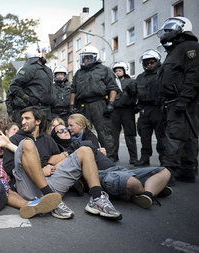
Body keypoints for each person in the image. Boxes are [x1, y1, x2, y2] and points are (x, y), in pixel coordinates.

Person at [0, 106, 122, 220]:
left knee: (85, 150)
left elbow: (61, 159)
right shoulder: (15, 139)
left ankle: (97, 198)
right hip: (28, 186)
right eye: (22, 119)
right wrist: (39, 170)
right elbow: (10, 167)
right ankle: (52, 200)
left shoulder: (48, 140)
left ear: (38, 121)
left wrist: (52, 166)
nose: (23, 122)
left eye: (27, 118)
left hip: (52, 182)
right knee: (27, 143)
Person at [51, 123, 172, 209]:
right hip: (102, 174)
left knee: (165, 172)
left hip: (119, 169)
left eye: (66, 128)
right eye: (60, 131)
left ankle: (147, 194)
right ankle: (150, 189)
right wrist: (69, 152)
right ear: (55, 136)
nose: (66, 130)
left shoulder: (81, 140)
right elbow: (53, 163)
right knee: (132, 183)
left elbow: (91, 140)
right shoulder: (62, 149)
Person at [157, 16, 199, 183]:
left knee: (174, 136)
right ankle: (187, 171)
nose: (166, 33)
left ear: (181, 29)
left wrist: (184, 98)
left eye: (169, 30)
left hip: (181, 101)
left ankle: (169, 174)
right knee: (186, 136)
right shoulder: (174, 50)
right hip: (174, 101)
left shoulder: (190, 47)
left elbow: (194, 75)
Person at [70, 45, 119, 162]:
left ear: (95, 57)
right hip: (83, 105)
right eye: (84, 58)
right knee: (83, 131)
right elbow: (73, 90)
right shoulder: (79, 73)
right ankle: (85, 157)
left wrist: (110, 104)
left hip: (99, 104)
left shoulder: (104, 70)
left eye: (88, 57)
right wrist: (71, 105)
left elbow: (113, 88)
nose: (86, 60)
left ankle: (109, 159)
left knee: (104, 132)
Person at [131, 49, 167, 167]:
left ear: (157, 61)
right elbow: (136, 92)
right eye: (146, 63)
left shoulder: (163, 73)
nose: (149, 65)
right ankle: (144, 158)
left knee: (161, 137)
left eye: (151, 62)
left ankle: (164, 160)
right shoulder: (140, 77)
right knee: (144, 136)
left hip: (159, 109)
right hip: (144, 109)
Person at [7, 44, 54, 124]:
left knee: (46, 134)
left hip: (47, 110)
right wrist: (27, 98)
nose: (45, 53)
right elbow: (14, 86)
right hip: (34, 109)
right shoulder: (28, 69)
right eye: (43, 52)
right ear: (37, 54)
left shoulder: (47, 69)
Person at [110, 61, 138, 164]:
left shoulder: (131, 81)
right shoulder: (111, 82)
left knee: (130, 135)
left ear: (124, 71)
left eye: (120, 70)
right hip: (115, 111)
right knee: (114, 136)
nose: (118, 72)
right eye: (116, 71)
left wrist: (134, 93)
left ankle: (133, 157)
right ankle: (114, 156)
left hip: (127, 111)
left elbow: (137, 95)